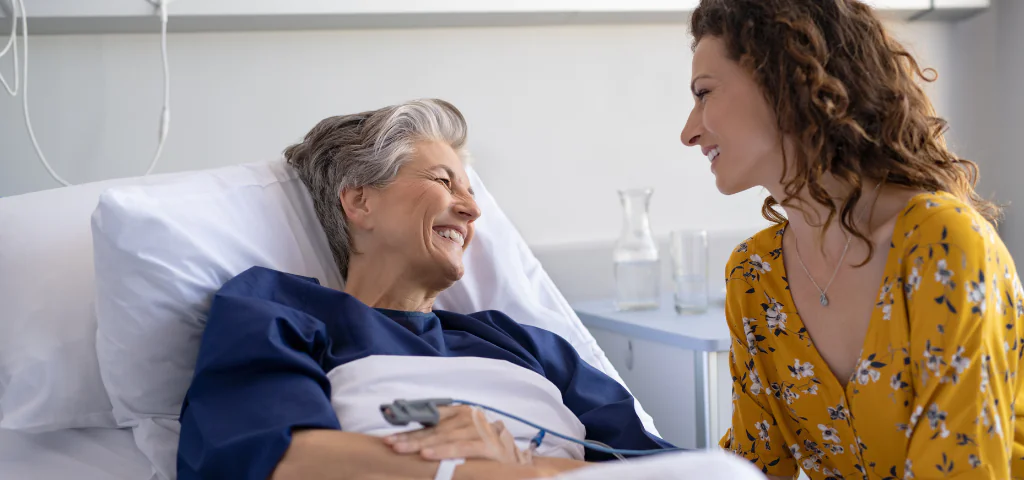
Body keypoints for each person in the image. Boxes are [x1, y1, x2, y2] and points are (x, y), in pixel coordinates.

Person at [175, 99, 676, 480]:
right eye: (444, 181)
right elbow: (271, 457)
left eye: (471, 193)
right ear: (359, 202)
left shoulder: (526, 345)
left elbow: (662, 471)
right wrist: (464, 469)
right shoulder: (278, 309)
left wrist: (521, 468)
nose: (472, 210)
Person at [679, 0, 1024, 479]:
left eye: (704, 93)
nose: (689, 132)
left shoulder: (942, 246)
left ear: (783, 77)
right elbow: (753, 468)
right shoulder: (755, 277)